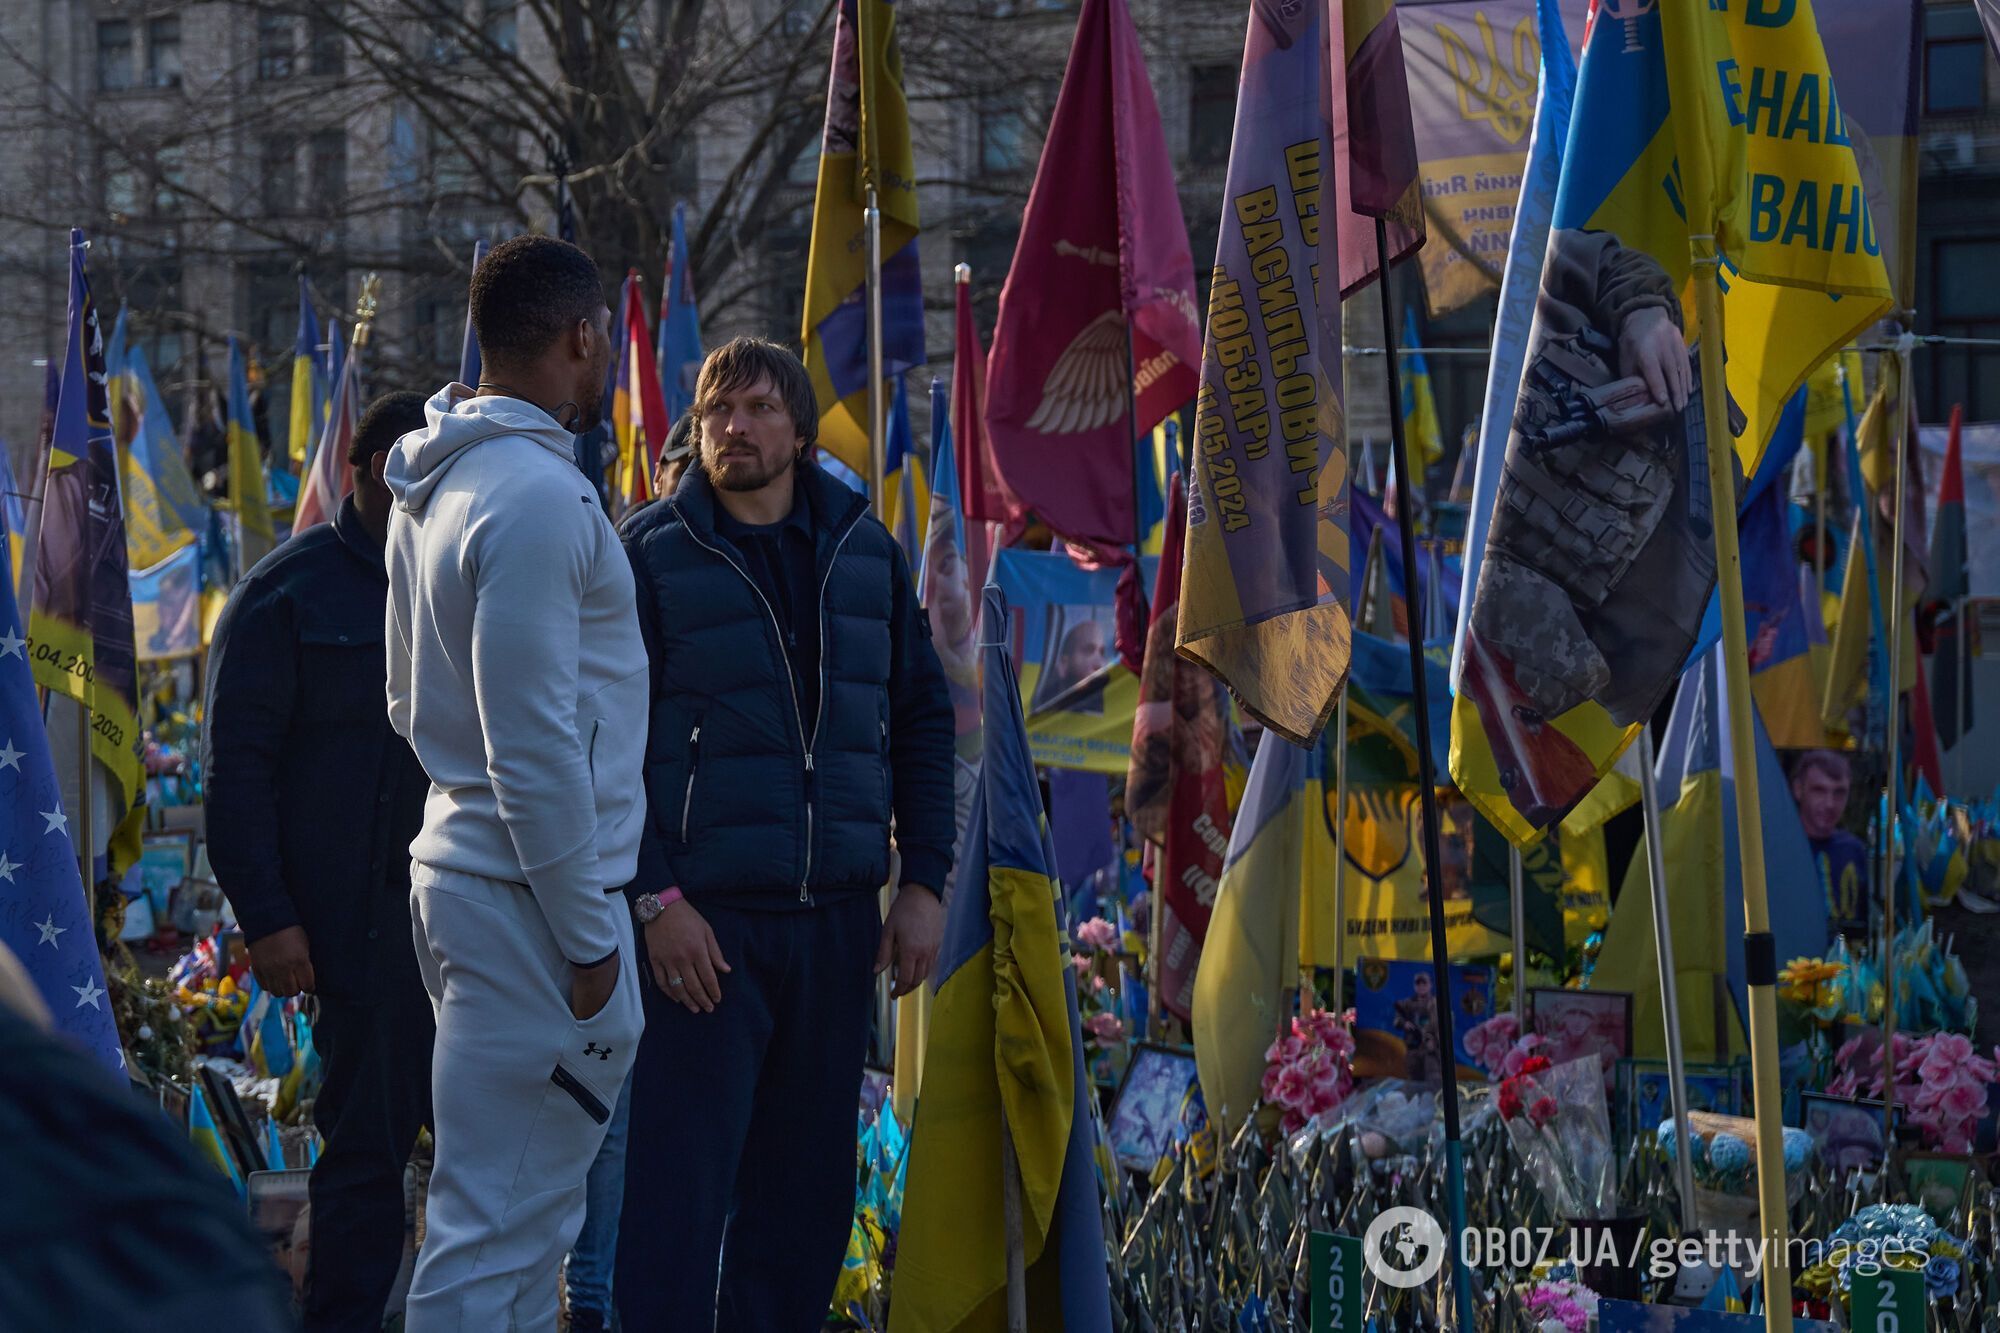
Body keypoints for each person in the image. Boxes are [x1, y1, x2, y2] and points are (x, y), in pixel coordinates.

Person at [615, 337, 955, 1329]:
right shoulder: (649, 554)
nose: (734, 426)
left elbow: (922, 719)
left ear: (800, 432)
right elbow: (601, 745)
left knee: (804, 1205)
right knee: (675, 1200)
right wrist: (654, 897)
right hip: (702, 932)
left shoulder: (865, 550)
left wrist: (923, 881)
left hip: (837, 923)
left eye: (758, 407)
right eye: (717, 410)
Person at [383, 235, 648, 1330]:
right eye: (604, 341)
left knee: (518, 1231)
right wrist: (587, 937)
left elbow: (407, 701)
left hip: (479, 876)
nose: (609, 360)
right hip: (533, 902)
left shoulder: (439, 482)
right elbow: (531, 744)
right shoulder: (532, 494)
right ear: (582, 337)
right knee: (493, 1236)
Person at [204, 390, 435, 1333]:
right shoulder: (284, 594)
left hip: (471, 924)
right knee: (366, 1158)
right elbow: (236, 774)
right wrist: (268, 918)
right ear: (371, 470)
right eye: (415, 467)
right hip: (356, 938)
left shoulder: (465, 577)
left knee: (486, 1164)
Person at [1792, 749, 1869, 934]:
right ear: (1799, 789)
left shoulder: (1854, 850)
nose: (1830, 803)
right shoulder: (1780, 848)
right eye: (1819, 790)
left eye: (1839, 793)